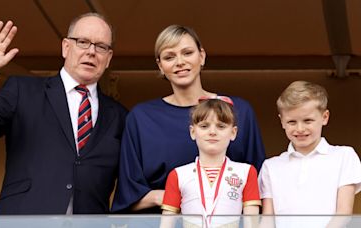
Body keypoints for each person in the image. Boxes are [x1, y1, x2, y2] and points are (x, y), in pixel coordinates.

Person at [0, 13, 127, 214]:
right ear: (66, 47)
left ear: (108, 58)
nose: (91, 52)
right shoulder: (23, 90)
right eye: (82, 42)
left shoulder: (120, 116)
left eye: (101, 47)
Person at [111, 25, 265, 213]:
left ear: (202, 56)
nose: (180, 62)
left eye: (187, 53)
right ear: (160, 65)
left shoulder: (237, 110)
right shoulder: (141, 118)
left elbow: (260, 188)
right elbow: (128, 197)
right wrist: (174, 195)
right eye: (169, 57)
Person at [258, 81, 361, 226]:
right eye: (291, 122)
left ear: (325, 117)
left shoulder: (344, 156)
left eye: (308, 120)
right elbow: (267, 220)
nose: (300, 128)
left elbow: (343, 213)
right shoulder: (270, 166)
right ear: (282, 121)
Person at [160, 97, 260, 228]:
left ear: (233, 132)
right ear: (193, 132)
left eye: (221, 126)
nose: (212, 132)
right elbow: (166, 225)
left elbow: (251, 224)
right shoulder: (178, 175)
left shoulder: (246, 172)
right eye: (204, 126)